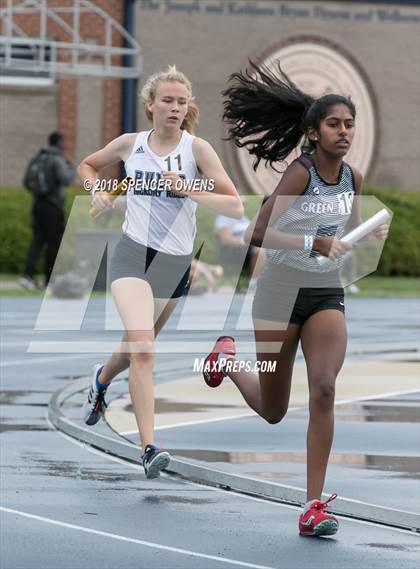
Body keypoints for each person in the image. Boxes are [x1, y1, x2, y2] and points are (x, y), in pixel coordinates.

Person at [203, 62, 388, 536]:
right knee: (273, 409)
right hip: (279, 294)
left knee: (324, 388)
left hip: (325, 292)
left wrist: (366, 236)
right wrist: (312, 244)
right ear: (313, 132)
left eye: (349, 124)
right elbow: (258, 232)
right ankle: (228, 362)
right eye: (334, 124)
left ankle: (313, 508)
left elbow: (339, 235)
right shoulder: (299, 175)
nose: (344, 132)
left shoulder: (354, 178)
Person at [78, 65, 243, 479]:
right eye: (167, 100)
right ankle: (150, 447)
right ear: (150, 104)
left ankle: (100, 380)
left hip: (175, 263)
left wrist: (189, 188)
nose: (174, 108)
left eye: (181, 102)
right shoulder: (130, 145)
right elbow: (87, 165)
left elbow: (235, 205)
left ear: (188, 108)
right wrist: (96, 190)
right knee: (145, 349)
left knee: (135, 348)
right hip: (133, 255)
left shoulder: (197, 150)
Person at [20, 132, 76, 290]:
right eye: (63, 142)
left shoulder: (38, 158)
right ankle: (49, 280)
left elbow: (26, 181)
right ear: (58, 143)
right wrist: (72, 168)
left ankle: (27, 276)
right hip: (53, 207)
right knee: (54, 243)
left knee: (37, 242)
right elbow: (66, 180)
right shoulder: (57, 159)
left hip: (38, 204)